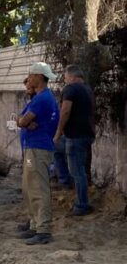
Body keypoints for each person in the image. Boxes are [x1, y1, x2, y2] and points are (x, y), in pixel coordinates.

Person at [17, 62, 59, 245]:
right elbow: (21, 119)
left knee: (38, 189)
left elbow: (22, 121)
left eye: (31, 75)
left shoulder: (42, 99)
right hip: (33, 148)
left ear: (39, 77)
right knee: (30, 188)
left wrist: (23, 122)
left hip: (38, 148)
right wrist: (23, 121)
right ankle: (35, 224)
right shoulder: (40, 98)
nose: (28, 79)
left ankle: (43, 229)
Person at [54, 65, 96, 216]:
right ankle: (64, 181)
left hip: (75, 136)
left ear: (71, 76)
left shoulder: (71, 89)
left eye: (65, 77)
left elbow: (65, 111)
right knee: (57, 150)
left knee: (77, 171)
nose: (65, 80)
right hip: (86, 134)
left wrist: (58, 132)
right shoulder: (87, 89)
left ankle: (81, 205)